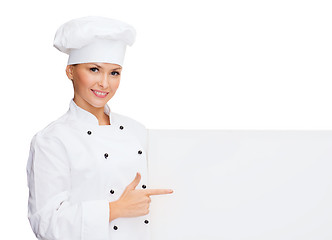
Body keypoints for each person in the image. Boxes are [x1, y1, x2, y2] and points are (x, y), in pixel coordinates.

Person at [26, 16, 173, 240]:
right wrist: (115, 209)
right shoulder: (52, 140)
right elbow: (46, 224)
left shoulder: (137, 131)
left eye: (114, 72)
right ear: (70, 71)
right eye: (94, 69)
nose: (105, 83)